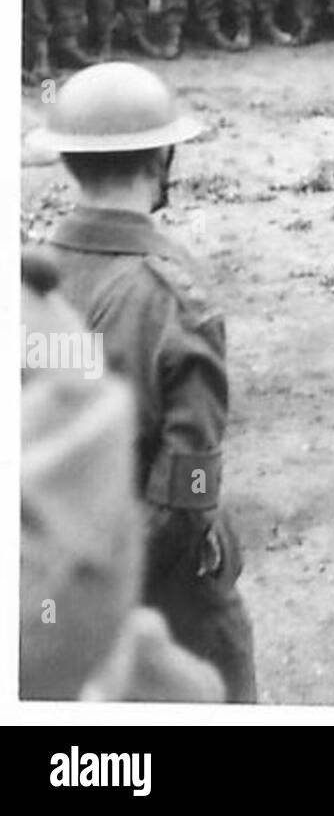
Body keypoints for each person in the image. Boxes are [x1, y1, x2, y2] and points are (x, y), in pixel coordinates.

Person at [36, 62, 257, 702]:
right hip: (167, 600)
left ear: (68, 163)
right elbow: (188, 490)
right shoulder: (174, 301)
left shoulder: (28, 283)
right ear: (163, 157)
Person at [20, 249, 226, 703]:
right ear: (158, 172)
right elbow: (192, 493)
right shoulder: (176, 300)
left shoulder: (36, 293)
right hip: (168, 590)